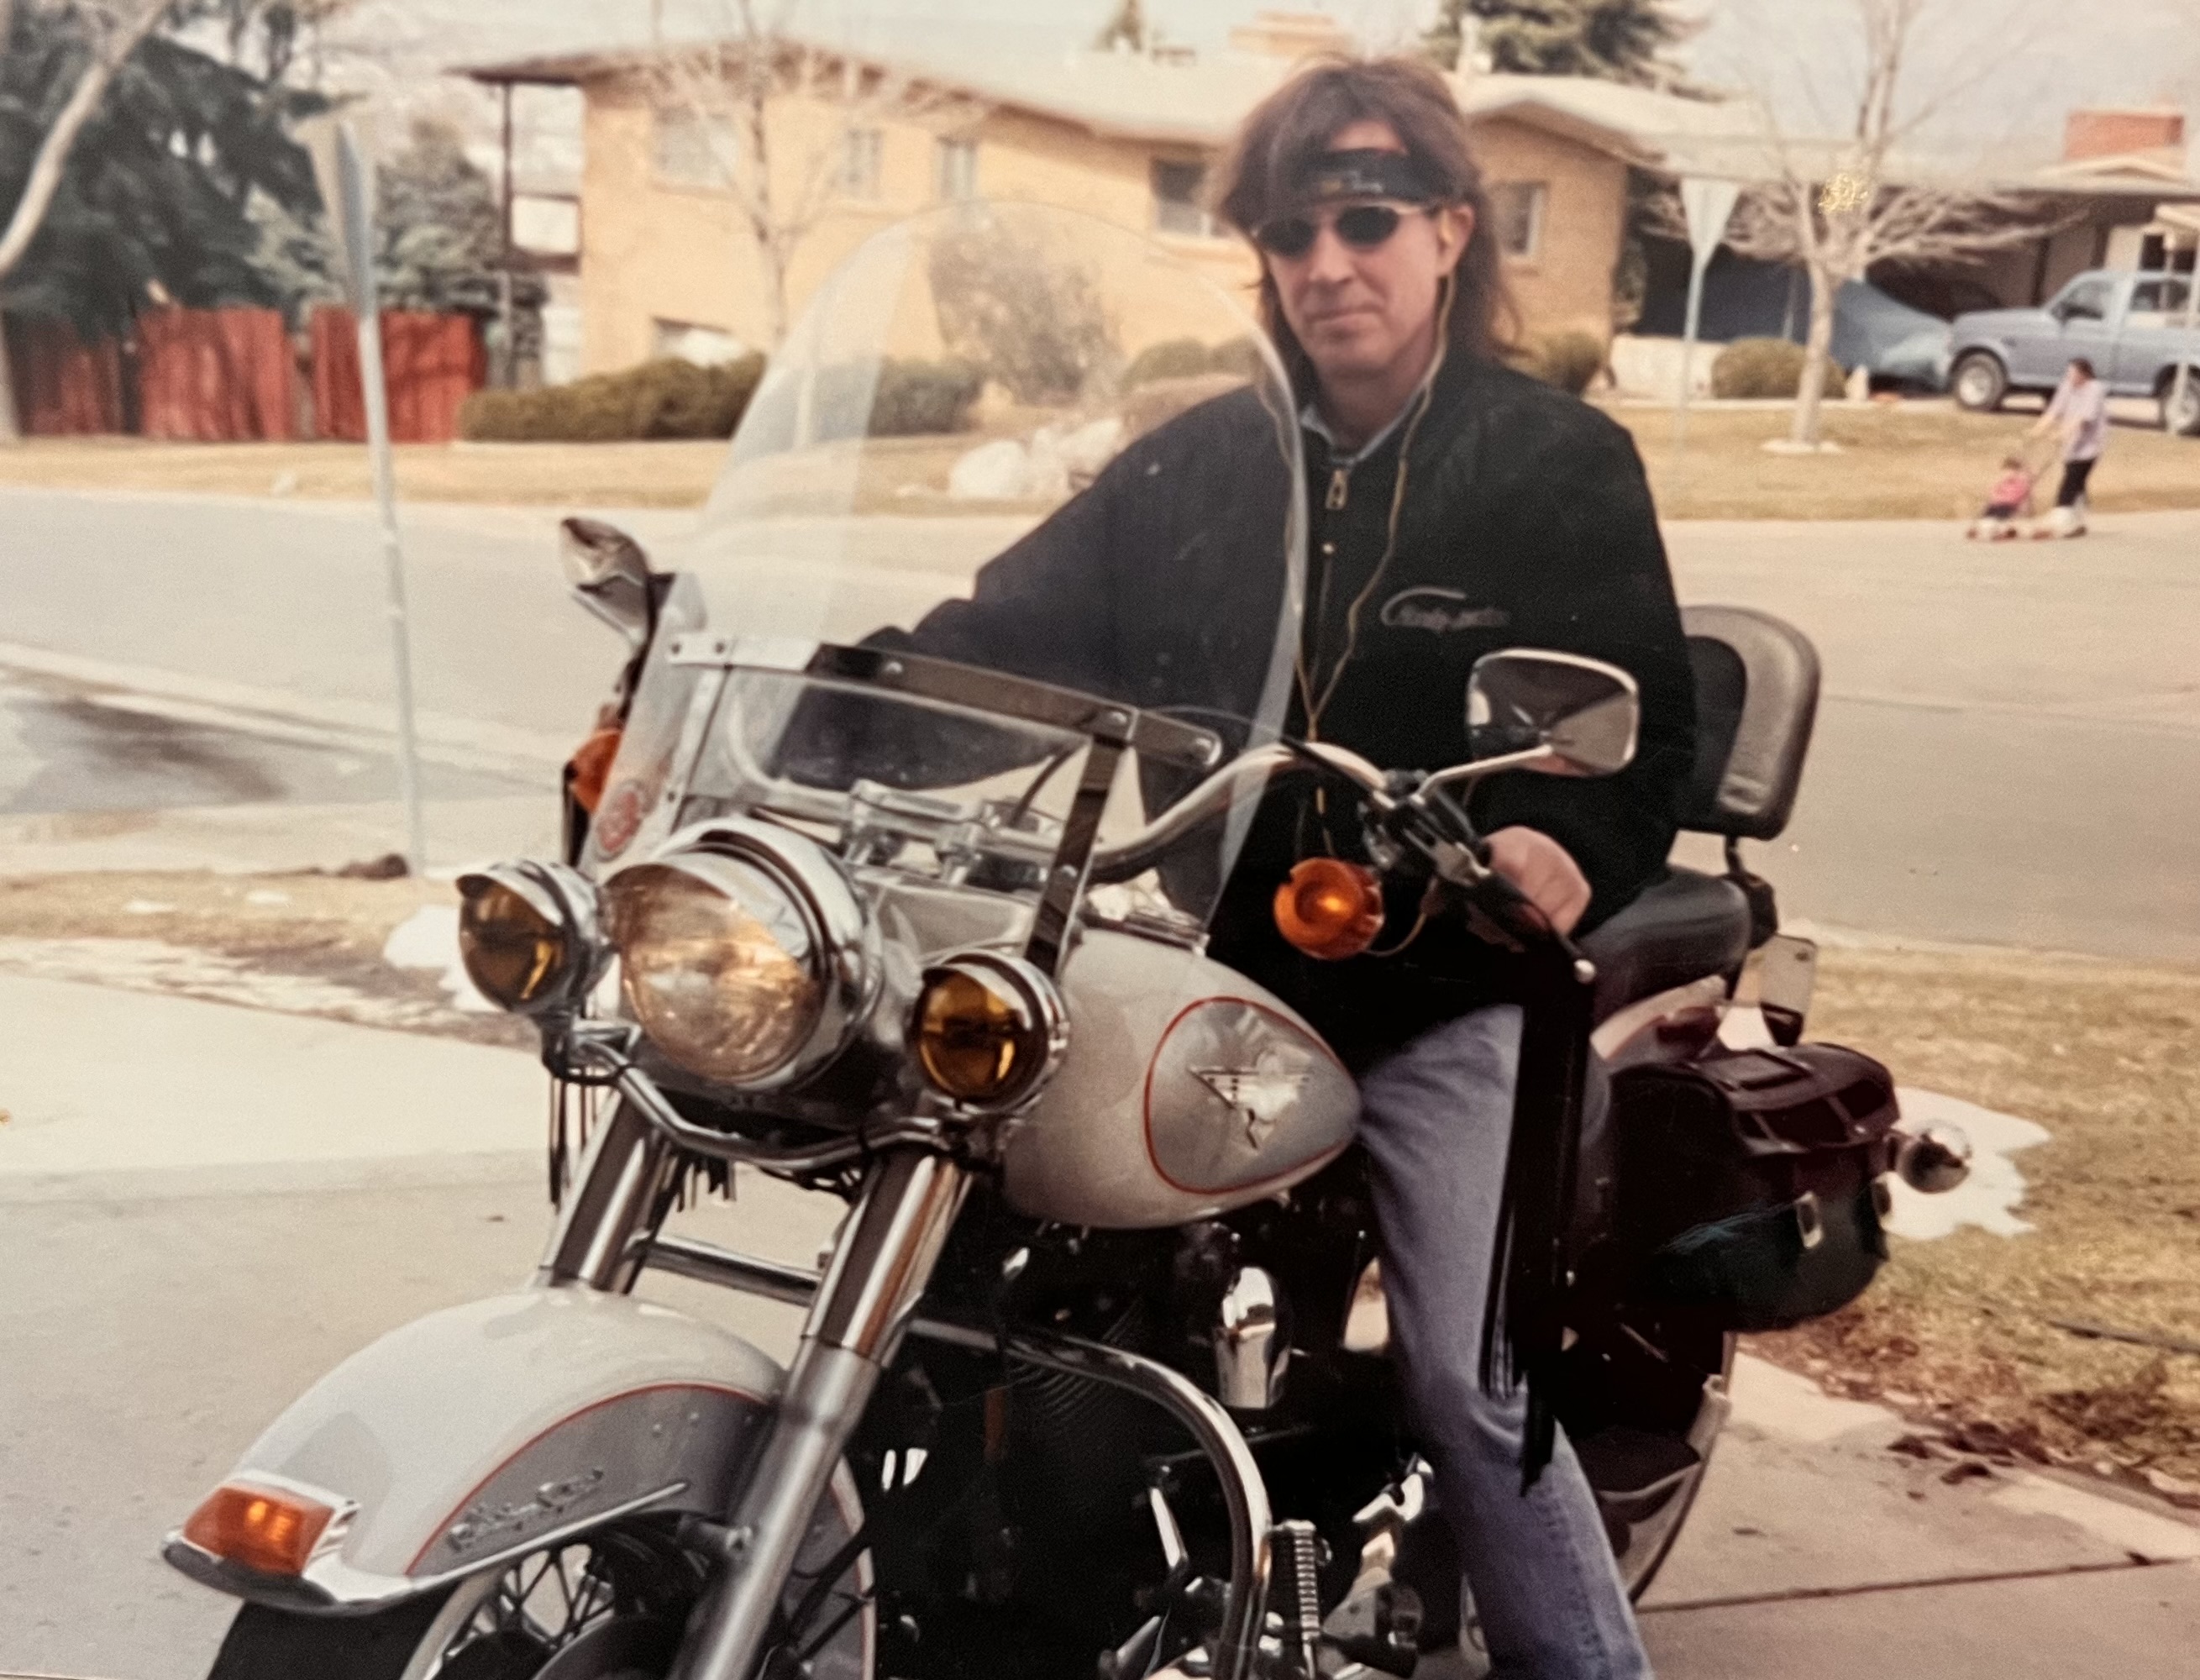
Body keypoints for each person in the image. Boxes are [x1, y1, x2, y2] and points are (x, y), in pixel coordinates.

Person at [888, 57, 1692, 1678]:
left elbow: (1643, 720)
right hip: (1212, 972)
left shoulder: (1552, 463)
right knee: (962, 1260)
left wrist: (1563, 844)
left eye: (1365, 220)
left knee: (1467, 1379)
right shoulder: (1192, 466)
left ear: (1449, 230)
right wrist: (804, 713)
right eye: (1288, 229)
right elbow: (1000, 643)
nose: (1326, 262)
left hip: (1441, 990)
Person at [2030, 355, 2108, 538]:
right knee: (2076, 481)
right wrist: (2037, 430)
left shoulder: (2094, 390)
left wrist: (2062, 434)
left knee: (2071, 479)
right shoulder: (2067, 387)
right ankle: (2077, 520)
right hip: (2072, 445)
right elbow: (2054, 410)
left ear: (2084, 374)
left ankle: (2061, 516)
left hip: (2089, 444)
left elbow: (2083, 418)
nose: (2069, 377)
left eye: (2072, 373)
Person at [1966, 452, 2036, 540]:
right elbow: (1993, 492)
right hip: (1997, 504)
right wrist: (1997, 496)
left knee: (2000, 516)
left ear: (2018, 472)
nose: (2009, 473)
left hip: (2009, 505)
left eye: (2013, 471)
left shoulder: (2020, 483)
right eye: (2007, 471)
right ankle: (1981, 527)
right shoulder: (2003, 483)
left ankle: (1996, 530)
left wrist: (2024, 466)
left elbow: (2019, 496)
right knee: (1988, 512)